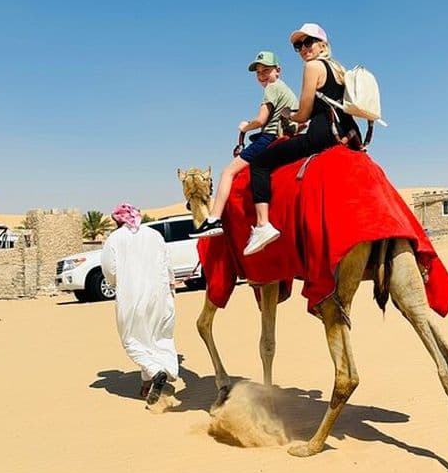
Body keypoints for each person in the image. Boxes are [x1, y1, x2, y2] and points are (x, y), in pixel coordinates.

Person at [243, 23, 361, 255]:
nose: (303, 48)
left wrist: (289, 115)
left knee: (259, 162)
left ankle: (263, 225)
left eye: (308, 42)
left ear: (322, 44)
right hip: (349, 136)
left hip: (321, 137)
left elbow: (304, 113)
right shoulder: (339, 68)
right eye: (298, 45)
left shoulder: (313, 67)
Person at [189, 50, 298, 238]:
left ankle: (214, 219)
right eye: (259, 73)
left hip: (269, 138)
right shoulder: (287, 90)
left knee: (227, 172)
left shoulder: (272, 89)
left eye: (266, 70)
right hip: (285, 139)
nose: (262, 75)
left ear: (277, 70)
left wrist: (246, 127)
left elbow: (261, 120)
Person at [100, 202, 179, 405]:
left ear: (117, 220)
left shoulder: (114, 239)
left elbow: (110, 271)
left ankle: (155, 373)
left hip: (132, 297)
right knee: (157, 338)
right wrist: (170, 286)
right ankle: (152, 381)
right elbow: (167, 264)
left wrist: (119, 283)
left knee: (132, 340)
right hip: (161, 297)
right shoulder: (155, 235)